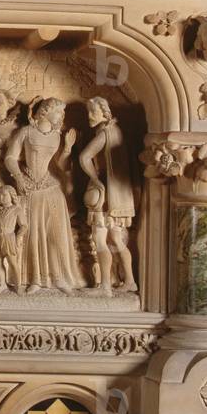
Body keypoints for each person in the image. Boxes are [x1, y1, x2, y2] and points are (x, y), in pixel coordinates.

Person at [4, 97, 83, 294]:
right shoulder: (26, 132)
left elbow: (61, 166)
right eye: (58, 112)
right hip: (29, 188)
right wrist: (19, 179)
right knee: (32, 235)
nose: (61, 116)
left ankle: (60, 277)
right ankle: (35, 279)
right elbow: (10, 158)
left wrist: (67, 148)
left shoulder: (57, 136)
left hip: (50, 189)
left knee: (55, 235)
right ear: (45, 111)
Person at [78, 96, 137, 295]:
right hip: (119, 195)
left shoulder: (104, 133)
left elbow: (84, 157)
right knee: (117, 240)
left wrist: (95, 180)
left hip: (104, 196)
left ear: (105, 113)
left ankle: (105, 286)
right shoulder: (117, 131)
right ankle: (130, 281)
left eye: (92, 112)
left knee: (100, 240)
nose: (89, 116)